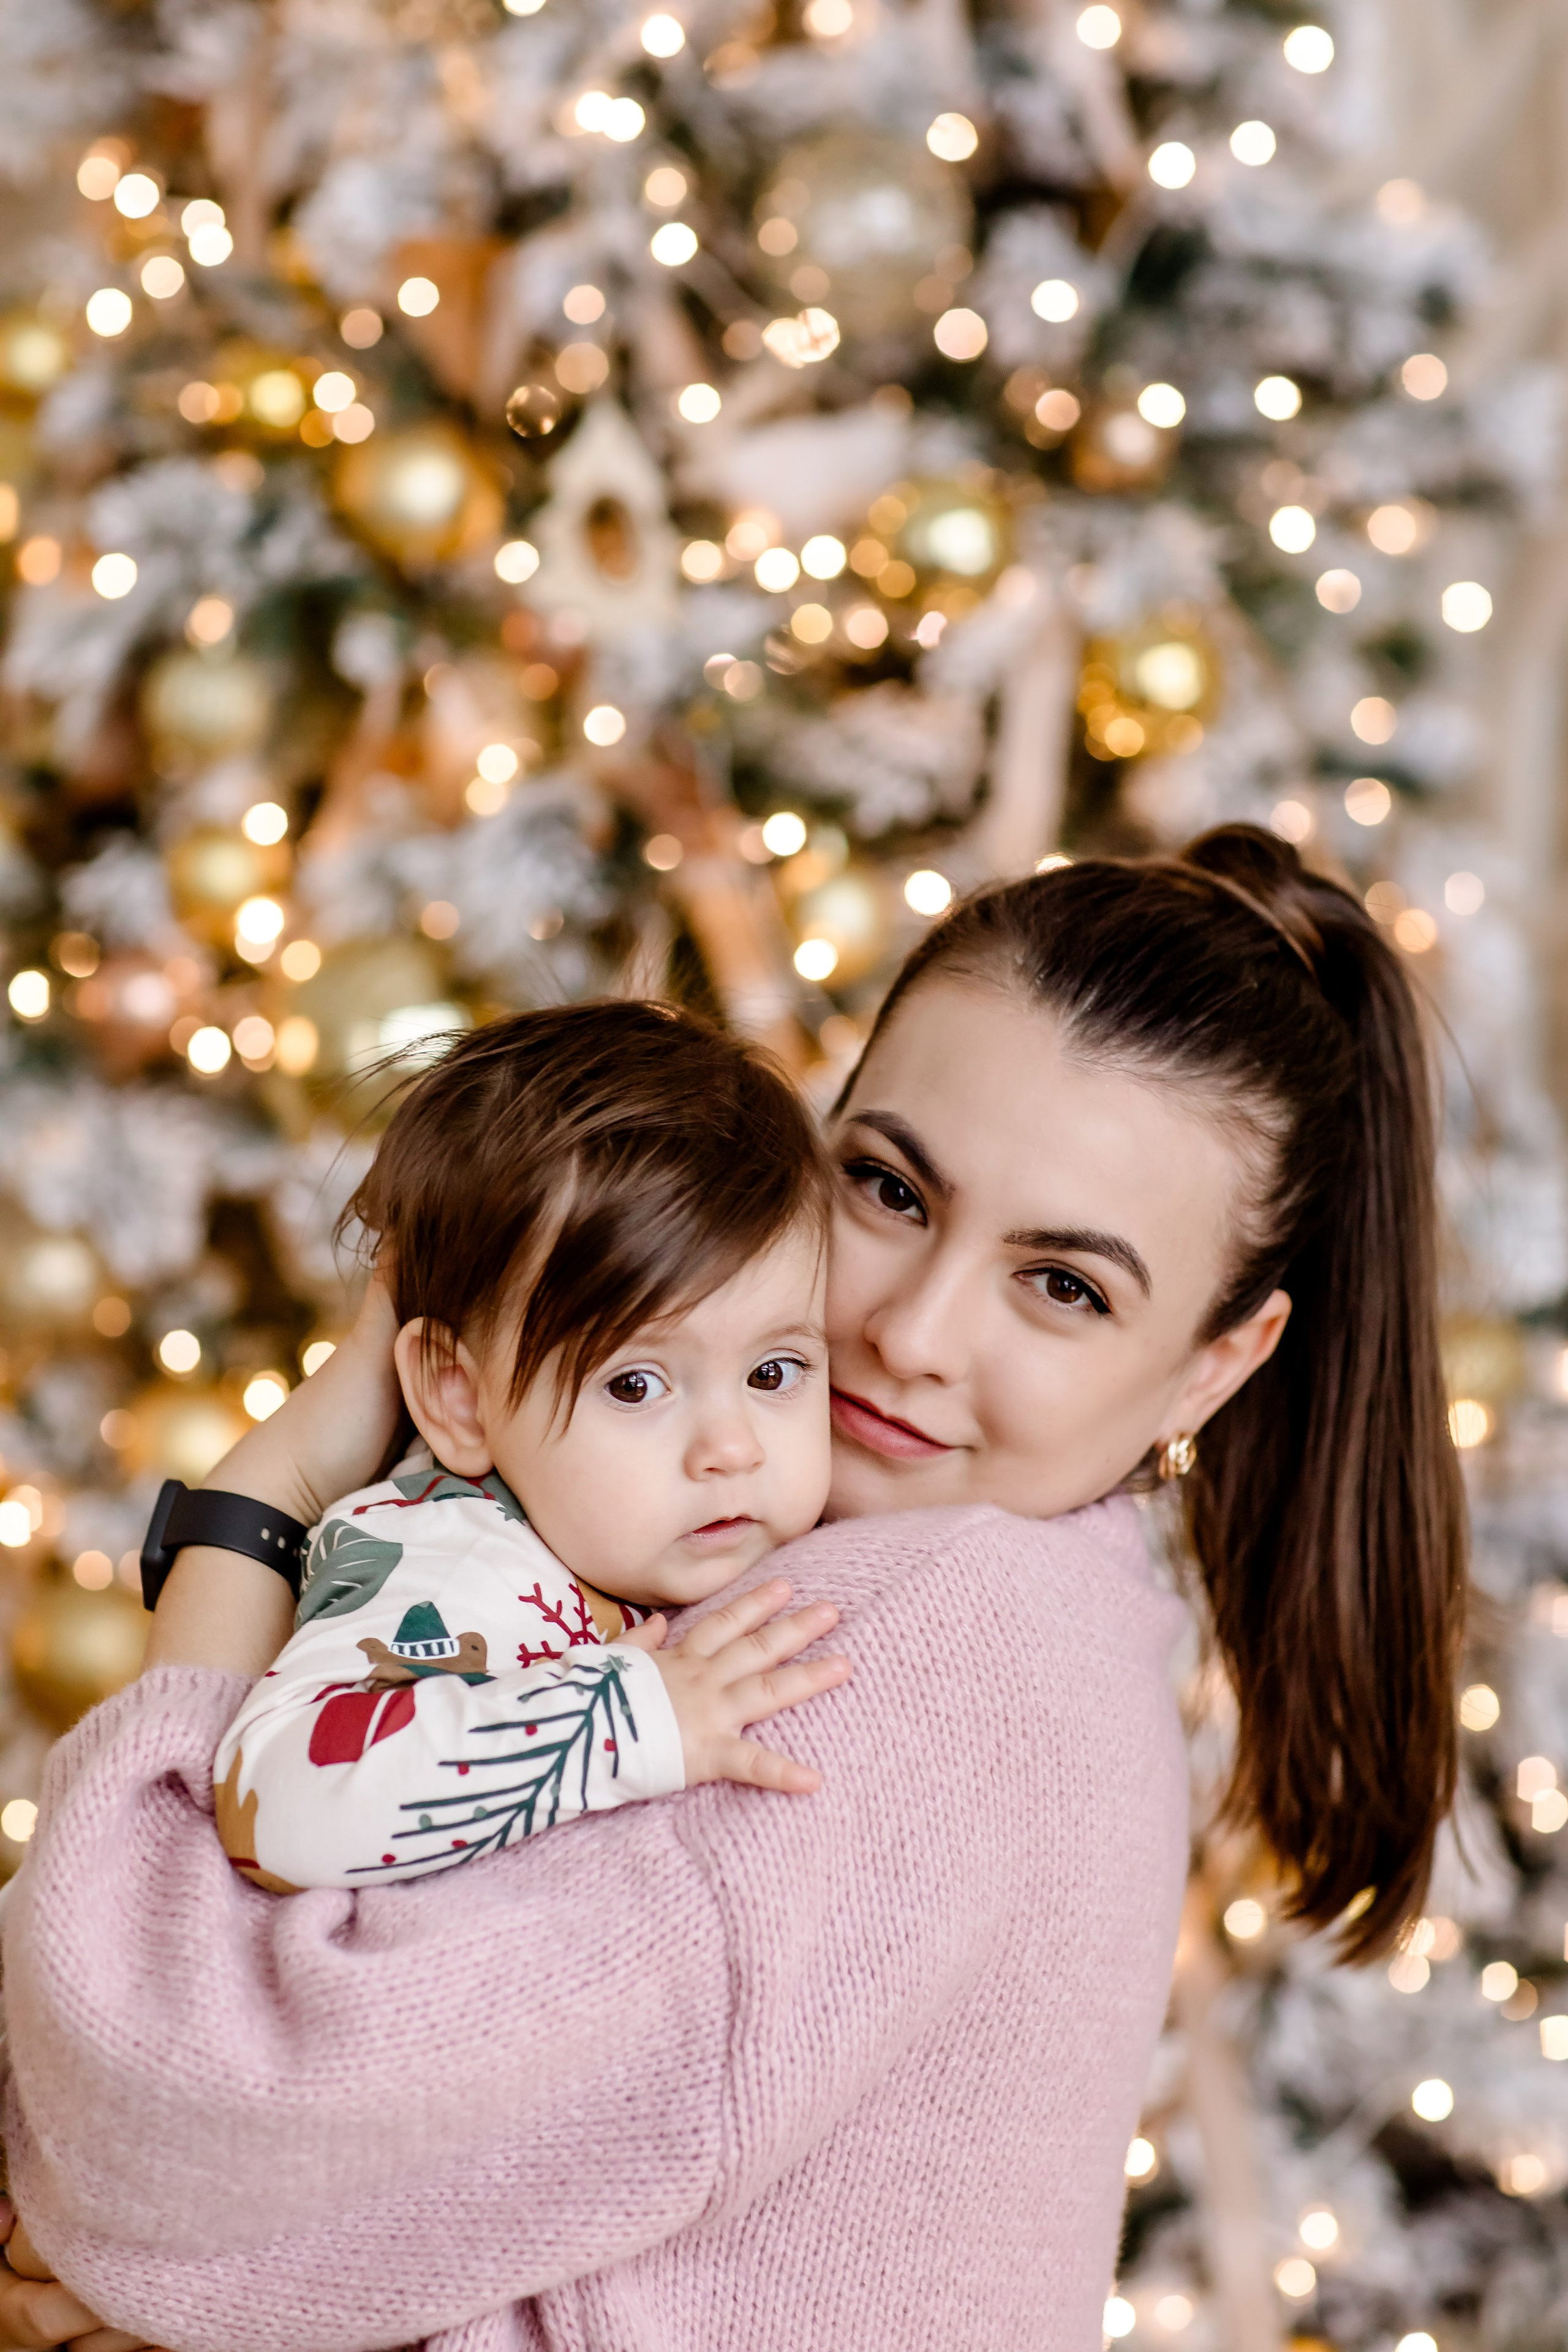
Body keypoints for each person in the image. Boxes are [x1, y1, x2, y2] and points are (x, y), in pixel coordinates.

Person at [0, 826, 1466, 2352]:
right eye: (886, 1188)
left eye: (1062, 1286)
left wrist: (263, 1506)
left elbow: (148, 2102)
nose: (909, 1333)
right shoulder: (933, 1594)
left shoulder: (926, 1643)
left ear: (1214, 1365)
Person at [211, 1003, 847, 1893]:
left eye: (774, 1372)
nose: (733, 1449)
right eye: (635, 1385)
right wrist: (625, 1721)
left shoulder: (624, 1535)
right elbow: (273, 1808)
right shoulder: (456, 1563)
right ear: (459, 1399)